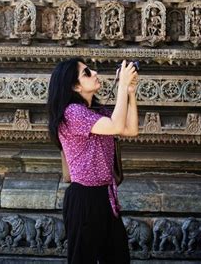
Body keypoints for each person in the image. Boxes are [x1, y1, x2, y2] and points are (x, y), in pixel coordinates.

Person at [47, 58, 138, 264]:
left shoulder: (94, 111)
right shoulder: (72, 113)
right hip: (84, 198)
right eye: (87, 72)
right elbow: (116, 126)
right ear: (75, 86)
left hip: (105, 196)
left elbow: (130, 129)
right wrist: (122, 85)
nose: (95, 72)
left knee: (118, 258)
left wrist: (130, 93)